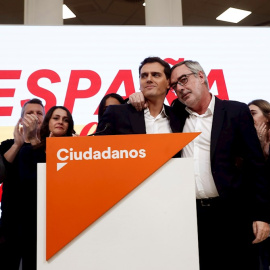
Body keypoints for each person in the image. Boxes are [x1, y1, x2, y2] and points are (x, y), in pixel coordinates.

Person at [129, 60, 270, 270]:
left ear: (201, 77)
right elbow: (152, 107)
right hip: (192, 218)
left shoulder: (235, 111)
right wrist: (136, 96)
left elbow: (256, 165)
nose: (180, 88)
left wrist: (262, 215)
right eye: (175, 85)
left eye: (184, 79)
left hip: (233, 215)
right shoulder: (176, 114)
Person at [18, 105, 75, 270]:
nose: (60, 122)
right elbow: (29, 183)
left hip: (66, 223)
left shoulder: (77, 153)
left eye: (65, 120)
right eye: (56, 118)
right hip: (35, 222)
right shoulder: (29, 151)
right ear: (48, 122)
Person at [0, 98, 45, 270]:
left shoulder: (49, 147)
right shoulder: (7, 145)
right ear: (21, 119)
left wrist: (34, 139)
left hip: (39, 223)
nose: (35, 117)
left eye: (39, 113)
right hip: (10, 222)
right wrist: (18, 144)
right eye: (30, 113)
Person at [95, 57, 181, 136]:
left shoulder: (179, 117)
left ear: (168, 83)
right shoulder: (116, 114)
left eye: (155, 75)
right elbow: (97, 149)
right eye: (144, 76)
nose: (149, 79)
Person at [248, 99, 270, 270]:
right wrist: (258, 145)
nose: (249, 118)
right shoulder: (249, 142)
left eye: (253, 113)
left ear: (267, 117)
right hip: (260, 213)